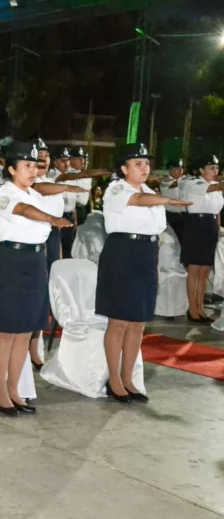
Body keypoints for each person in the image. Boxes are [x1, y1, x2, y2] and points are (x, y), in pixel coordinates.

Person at [97, 143, 191, 403]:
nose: (144, 167)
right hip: (122, 253)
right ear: (124, 168)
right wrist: (168, 199)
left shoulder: (151, 190)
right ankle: (113, 379)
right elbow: (137, 201)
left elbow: (155, 229)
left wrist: (156, 263)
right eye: (137, 163)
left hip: (146, 254)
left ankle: (128, 378)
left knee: (138, 322)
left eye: (147, 163)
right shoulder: (116, 189)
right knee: (119, 321)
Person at [0, 141, 72, 416]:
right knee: (7, 330)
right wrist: (51, 218)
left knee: (25, 330)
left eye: (35, 166)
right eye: (26, 165)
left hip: (36, 260)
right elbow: (22, 211)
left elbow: (35, 206)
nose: (32, 170)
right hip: (13, 260)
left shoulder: (35, 194)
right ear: (11, 169)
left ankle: (14, 389)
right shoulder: (3, 192)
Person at [31, 139, 88, 369]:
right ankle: (31, 343)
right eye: (38, 156)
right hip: (34, 238)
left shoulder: (53, 182)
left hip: (53, 236)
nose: (43, 159)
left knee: (47, 286)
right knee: (34, 291)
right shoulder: (26, 186)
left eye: (45, 155)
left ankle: (36, 337)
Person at [179, 155, 223, 323]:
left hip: (209, 226)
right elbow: (214, 188)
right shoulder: (194, 183)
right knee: (194, 269)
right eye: (211, 168)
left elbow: (216, 211)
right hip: (195, 225)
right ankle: (192, 308)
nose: (215, 171)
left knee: (204, 271)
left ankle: (200, 307)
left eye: (216, 168)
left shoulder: (216, 187)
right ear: (200, 170)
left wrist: (217, 230)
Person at [159, 159, 186, 243]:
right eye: (178, 168)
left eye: (182, 168)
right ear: (171, 169)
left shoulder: (184, 180)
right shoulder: (164, 181)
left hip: (184, 216)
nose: (181, 170)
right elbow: (175, 184)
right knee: (171, 242)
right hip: (170, 216)